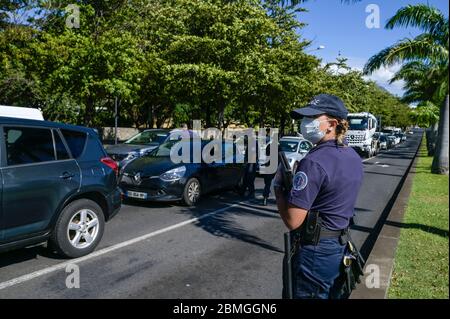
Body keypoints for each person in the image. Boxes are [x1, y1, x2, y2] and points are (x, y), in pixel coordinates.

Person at [273, 94, 364, 299]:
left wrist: (279, 189)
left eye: (312, 118)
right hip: (339, 246)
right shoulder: (353, 156)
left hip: (315, 253)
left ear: (331, 124)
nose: (305, 123)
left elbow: (293, 221)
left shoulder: (313, 162)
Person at [262, 127, 275, 206]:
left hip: (269, 166)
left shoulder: (268, 145)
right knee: (269, 183)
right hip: (273, 166)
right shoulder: (276, 146)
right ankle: (266, 196)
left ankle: (265, 197)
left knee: (267, 183)